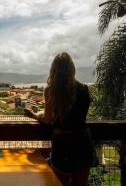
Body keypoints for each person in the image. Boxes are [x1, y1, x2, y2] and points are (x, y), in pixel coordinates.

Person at [28, 52, 97, 186]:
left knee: (59, 183)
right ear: (72, 69)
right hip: (82, 142)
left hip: (62, 143)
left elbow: (48, 119)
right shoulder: (84, 89)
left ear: (54, 69)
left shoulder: (50, 91)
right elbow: (76, 116)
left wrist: (34, 115)